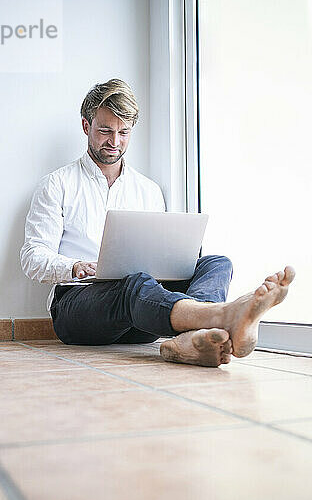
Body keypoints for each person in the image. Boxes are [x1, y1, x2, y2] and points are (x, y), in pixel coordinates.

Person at [20, 79, 295, 367]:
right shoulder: (57, 184)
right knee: (134, 284)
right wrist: (74, 266)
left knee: (216, 263)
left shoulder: (148, 190)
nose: (114, 141)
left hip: (142, 318)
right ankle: (223, 316)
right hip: (78, 307)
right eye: (105, 131)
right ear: (86, 126)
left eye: (123, 132)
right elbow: (31, 256)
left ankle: (193, 341)